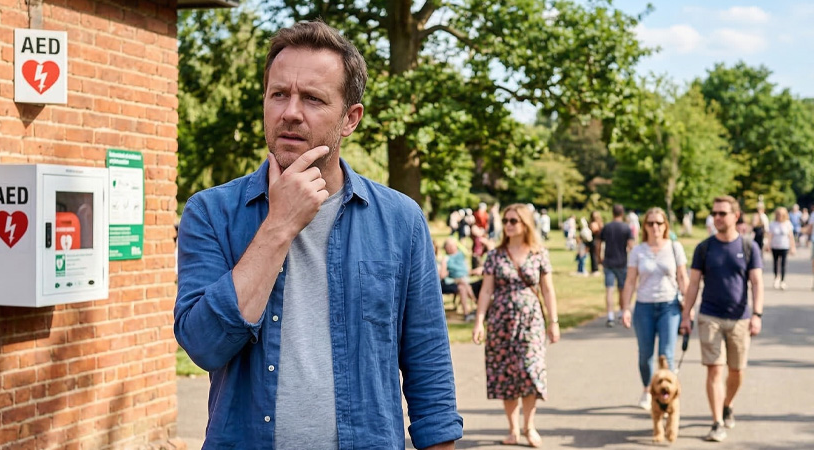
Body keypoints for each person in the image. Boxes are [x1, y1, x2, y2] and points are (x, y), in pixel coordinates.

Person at [174, 22, 460, 450]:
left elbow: (429, 370)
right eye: (279, 95)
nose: (291, 111)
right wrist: (279, 225)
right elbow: (203, 346)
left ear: (350, 119)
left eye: (312, 98)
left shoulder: (401, 221)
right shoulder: (211, 213)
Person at [472, 204, 561, 447]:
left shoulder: (539, 253)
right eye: (506, 220)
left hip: (531, 321)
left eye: (514, 220)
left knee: (531, 371)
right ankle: (513, 430)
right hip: (501, 322)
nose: (508, 224)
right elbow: (486, 290)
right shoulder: (495, 255)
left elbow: (547, 289)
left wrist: (554, 322)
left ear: (525, 224)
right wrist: (479, 321)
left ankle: (529, 426)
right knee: (506, 374)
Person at [679, 195, 764, 443]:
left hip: (740, 319)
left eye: (722, 213)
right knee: (714, 370)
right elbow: (693, 284)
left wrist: (757, 314)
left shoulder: (749, 247)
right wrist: (686, 315)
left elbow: (757, 283)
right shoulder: (704, 248)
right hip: (709, 317)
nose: (716, 217)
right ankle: (716, 422)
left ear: (735, 216)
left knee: (736, 372)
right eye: (714, 213)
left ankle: (728, 404)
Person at [619, 207, 687, 411]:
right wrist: (625, 308)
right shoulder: (638, 251)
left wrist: (689, 308)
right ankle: (648, 390)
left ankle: (668, 398)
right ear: (644, 227)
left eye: (659, 223)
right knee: (645, 355)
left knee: (667, 354)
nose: (655, 227)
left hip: (670, 306)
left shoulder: (675, 247)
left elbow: (683, 278)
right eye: (650, 223)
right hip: (644, 307)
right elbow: (630, 281)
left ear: (665, 225)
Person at [601, 204, 636, 327]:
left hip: (609, 261)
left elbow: (599, 243)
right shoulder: (626, 228)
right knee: (622, 289)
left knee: (609, 290)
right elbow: (631, 245)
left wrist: (599, 257)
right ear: (622, 213)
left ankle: (610, 316)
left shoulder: (607, 227)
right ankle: (622, 312)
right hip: (622, 262)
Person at [439, 238, 482, 322]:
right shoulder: (446, 258)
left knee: (463, 287)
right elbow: (442, 275)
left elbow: (466, 270)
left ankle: (467, 314)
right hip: (452, 281)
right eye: (449, 246)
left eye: (453, 245)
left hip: (464, 281)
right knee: (463, 284)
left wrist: (475, 271)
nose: (451, 247)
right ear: (446, 248)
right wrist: (448, 272)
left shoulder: (461, 256)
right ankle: (477, 304)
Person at [767, 207, 796, 290]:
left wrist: (792, 247)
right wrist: (768, 245)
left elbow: (791, 236)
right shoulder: (773, 224)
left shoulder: (787, 223)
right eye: (778, 214)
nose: (780, 216)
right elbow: (770, 235)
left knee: (783, 264)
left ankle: (783, 281)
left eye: (781, 215)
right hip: (775, 246)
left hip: (784, 246)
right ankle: (776, 278)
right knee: (775, 263)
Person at [589, 211, 605, 276]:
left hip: (596, 240)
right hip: (597, 240)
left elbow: (595, 231)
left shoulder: (595, 223)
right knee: (596, 255)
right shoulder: (599, 223)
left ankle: (595, 269)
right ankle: (595, 268)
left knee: (595, 255)